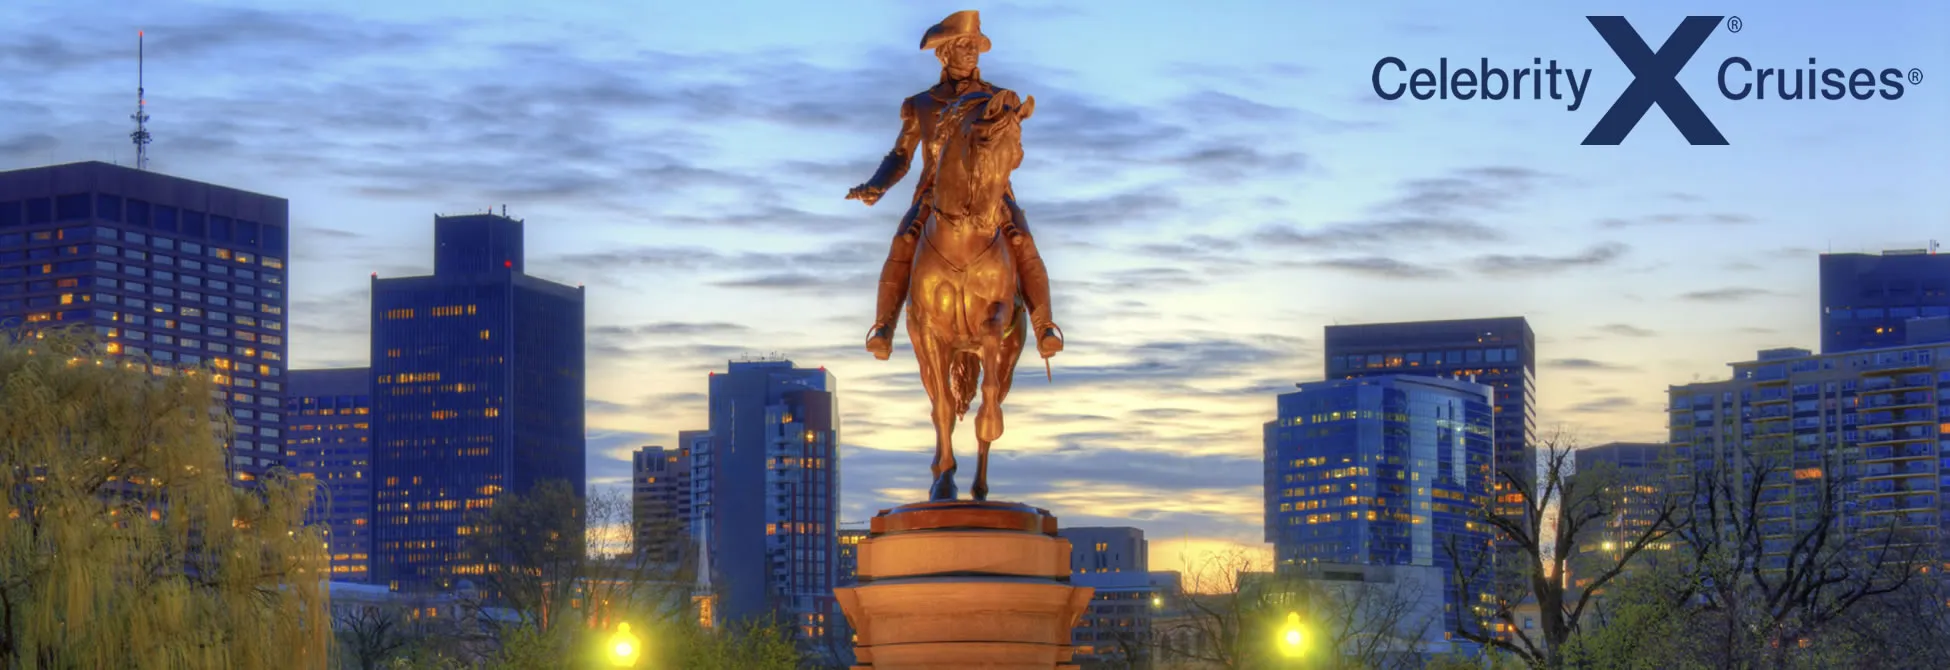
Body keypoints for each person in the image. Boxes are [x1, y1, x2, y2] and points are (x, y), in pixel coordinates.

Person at [847, 9, 1063, 361]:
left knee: (1023, 240)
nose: (971, 51)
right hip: (935, 197)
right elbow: (901, 155)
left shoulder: (997, 100)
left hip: (991, 196)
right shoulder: (921, 105)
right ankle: (883, 327)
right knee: (903, 241)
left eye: (975, 45)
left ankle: (1044, 326)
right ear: (944, 52)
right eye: (964, 45)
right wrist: (876, 185)